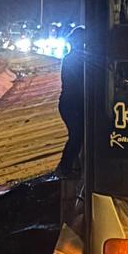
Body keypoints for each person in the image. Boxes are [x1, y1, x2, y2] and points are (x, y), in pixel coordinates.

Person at [56, 25, 85, 178]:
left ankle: (74, 166)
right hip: (71, 104)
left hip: (71, 103)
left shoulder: (76, 58)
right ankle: (65, 167)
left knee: (79, 135)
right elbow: (74, 84)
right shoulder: (73, 59)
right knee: (77, 136)